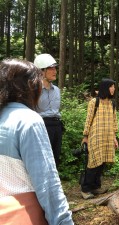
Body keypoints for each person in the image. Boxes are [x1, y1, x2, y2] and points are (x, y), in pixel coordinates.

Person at [0, 59, 73, 225]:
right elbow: (47, 182)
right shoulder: (28, 121)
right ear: (30, 86)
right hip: (23, 214)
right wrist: (63, 221)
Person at [81, 78, 118, 199]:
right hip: (95, 137)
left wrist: (114, 138)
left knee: (102, 162)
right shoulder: (94, 102)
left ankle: (95, 187)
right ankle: (85, 189)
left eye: (114, 87)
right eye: (111, 86)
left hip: (107, 138)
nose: (113, 89)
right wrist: (85, 136)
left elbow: (114, 121)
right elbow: (88, 119)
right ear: (105, 88)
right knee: (93, 162)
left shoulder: (112, 103)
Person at [33, 53, 63, 166]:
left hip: (57, 126)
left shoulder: (57, 90)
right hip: (42, 125)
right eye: (51, 68)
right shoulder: (34, 90)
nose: (55, 71)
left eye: (55, 68)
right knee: (42, 159)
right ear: (42, 71)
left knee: (55, 158)